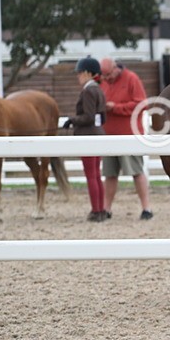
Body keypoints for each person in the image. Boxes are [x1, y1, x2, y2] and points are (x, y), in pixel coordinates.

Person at [98, 57, 152, 220]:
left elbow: (142, 104)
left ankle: (146, 208)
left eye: (108, 75)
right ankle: (106, 209)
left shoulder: (131, 79)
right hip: (109, 136)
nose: (106, 79)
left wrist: (116, 107)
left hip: (129, 135)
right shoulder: (103, 82)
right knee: (109, 174)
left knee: (136, 172)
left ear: (115, 68)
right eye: (104, 76)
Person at [63, 57, 108, 222]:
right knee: (96, 175)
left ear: (89, 73)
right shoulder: (98, 89)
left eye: (80, 73)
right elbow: (101, 118)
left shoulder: (88, 91)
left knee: (91, 175)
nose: (78, 76)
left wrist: (72, 120)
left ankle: (96, 211)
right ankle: (101, 209)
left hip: (88, 136)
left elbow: (88, 117)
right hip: (98, 134)